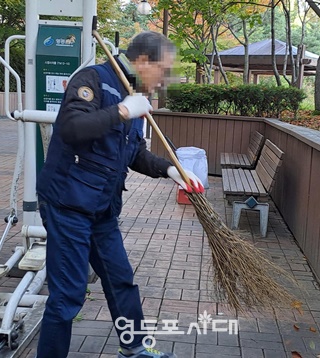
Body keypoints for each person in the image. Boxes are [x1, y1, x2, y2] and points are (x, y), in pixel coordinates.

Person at [35, 31, 204, 358]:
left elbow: (135, 152)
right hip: (67, 204)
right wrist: (122, 112)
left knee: (120, 279)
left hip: (102, 209)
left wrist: (172, 171)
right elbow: (70, 128)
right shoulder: (93, 80)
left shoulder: (134, 96)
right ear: (143, 61)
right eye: (163, 70)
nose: (164, 79)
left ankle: (136, 348)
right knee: (68, 295)